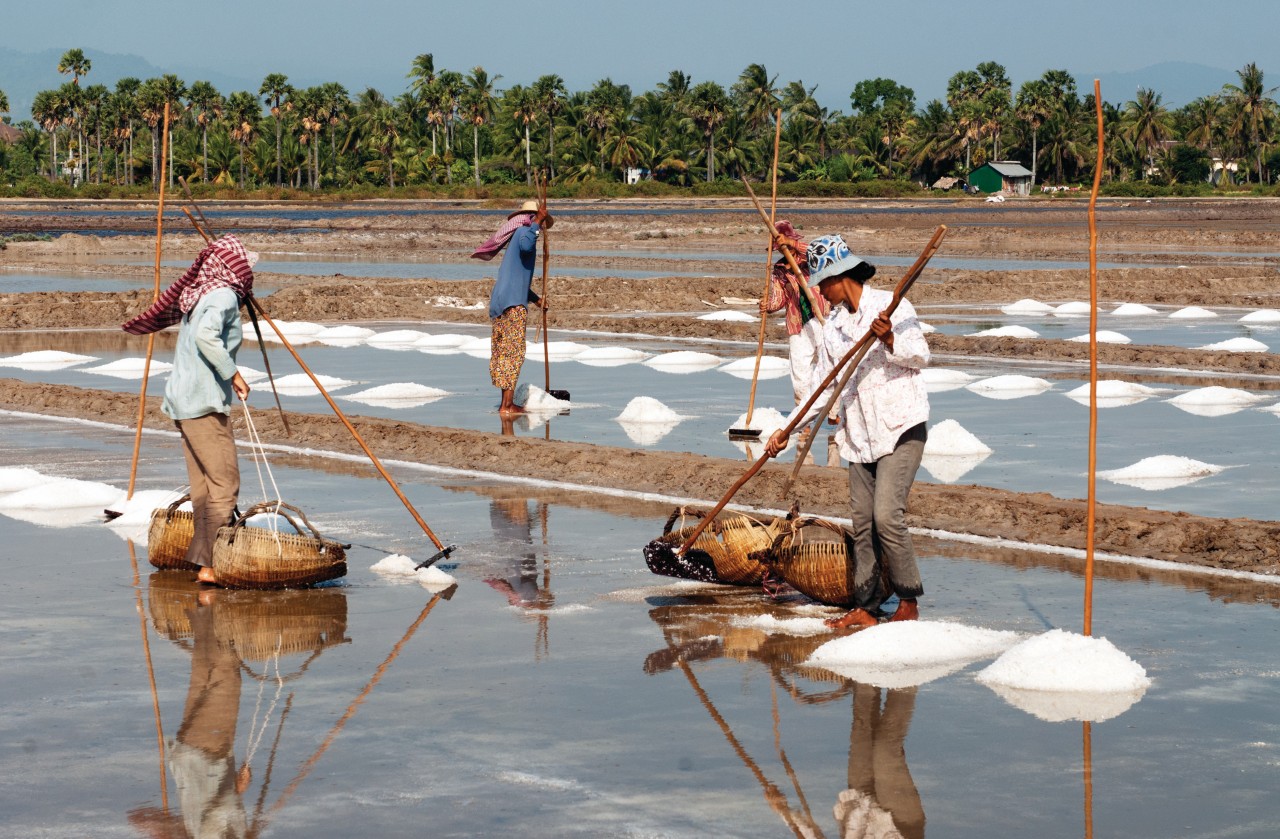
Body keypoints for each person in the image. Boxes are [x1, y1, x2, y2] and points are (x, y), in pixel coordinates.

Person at [764, 233, 929, 629]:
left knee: (888, 516)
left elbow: (921, 355)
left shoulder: (891, 305)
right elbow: (822, 390)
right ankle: (868, 606)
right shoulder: (834, 326)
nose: (820, 290)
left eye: (823, 282)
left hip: (900, 425)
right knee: (864, 525)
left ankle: (908, 601)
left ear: (840, 276)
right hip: (858, 434)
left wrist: (889, 337)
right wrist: (787, 429)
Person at [124, 235, 257, 585]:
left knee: (204, 488)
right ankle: (212, 565)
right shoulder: (223, 296)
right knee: (224, 484)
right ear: (235, 268)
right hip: (203, 402)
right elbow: (206, 338)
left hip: (184, 401)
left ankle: (203, 563)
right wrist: (235, 375)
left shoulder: (199, 295)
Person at [482, 199, 553, 416]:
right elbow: (527, 244)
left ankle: (506, 403)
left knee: (504, 353)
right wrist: (536, 223)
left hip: (503, 301)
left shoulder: (518, 236)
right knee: (513, 353)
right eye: (537, 221)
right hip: (512, 305)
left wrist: (536, 299)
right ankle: (508, 405)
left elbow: (517, 279)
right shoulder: (524, 232)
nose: (540, 228)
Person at [758, 220, 829, 407]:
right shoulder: (780, 269)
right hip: (798, 322)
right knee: (800, 370)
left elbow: (822, 252)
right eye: (779, 247)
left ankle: (834, 411)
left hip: (823, 317)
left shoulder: (811, 259)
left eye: (784, 244)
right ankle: (803, 411)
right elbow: (779, 299)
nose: (782, 250)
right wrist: (768, 306)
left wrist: (792, 244)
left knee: (829, 362)